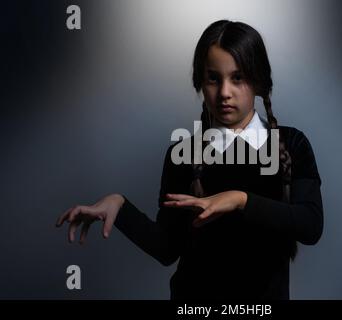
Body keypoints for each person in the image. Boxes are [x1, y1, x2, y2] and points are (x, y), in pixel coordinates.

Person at [56, 20, 323, 300]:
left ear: (258, 81)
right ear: (200, 82)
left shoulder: (291, 145)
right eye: (213, 78)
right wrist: (120, 206)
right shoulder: (181, 156)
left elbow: (310, 225)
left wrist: (240, 199)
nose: (224, 93)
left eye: (238, 78)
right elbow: (167, 249)